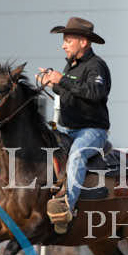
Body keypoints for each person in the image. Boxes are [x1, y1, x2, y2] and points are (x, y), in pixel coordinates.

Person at [38, 17, 111, 233]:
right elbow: (70, 91)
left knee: (77, 155)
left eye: (68, 40)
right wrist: (51, 83)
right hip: (68, 129)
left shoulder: (96, 66)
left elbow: (94, 93)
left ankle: (66, 208)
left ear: (83, 42)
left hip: (92, 131)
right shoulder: (72, 65)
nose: (63, 45)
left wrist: (62, 80)